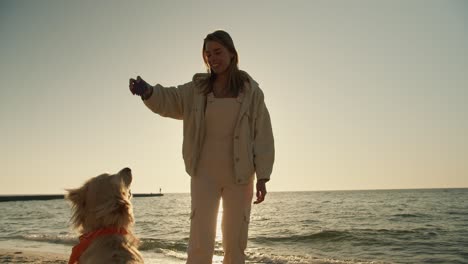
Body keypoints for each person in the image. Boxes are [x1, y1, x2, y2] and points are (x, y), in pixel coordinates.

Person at [129, 30, 274, 264]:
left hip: (241, 177)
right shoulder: (197, 89)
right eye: (208, 54)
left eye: (218, 52)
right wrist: (149, 92)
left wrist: (263, 177)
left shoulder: (251, 92)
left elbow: (263, 134)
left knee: (236, 242)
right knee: (199, 241)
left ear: (232, 53)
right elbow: (170, 99)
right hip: (203, 175)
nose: (212, 58)